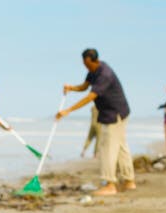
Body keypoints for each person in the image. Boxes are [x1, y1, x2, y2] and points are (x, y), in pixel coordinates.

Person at [57, 48, 135, 195]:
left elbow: (90, 97)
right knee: (121, 147)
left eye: (86, 63)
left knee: (107, 148)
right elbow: (84, 87)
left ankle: (110, 184)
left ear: (93, 60)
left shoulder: (104, 74)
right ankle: (129, 181)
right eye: (84, 63)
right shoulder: (94, 71)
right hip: (116, 112)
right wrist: (71, 88)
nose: (85, 66)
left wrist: (68, 110)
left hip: (114, 114)